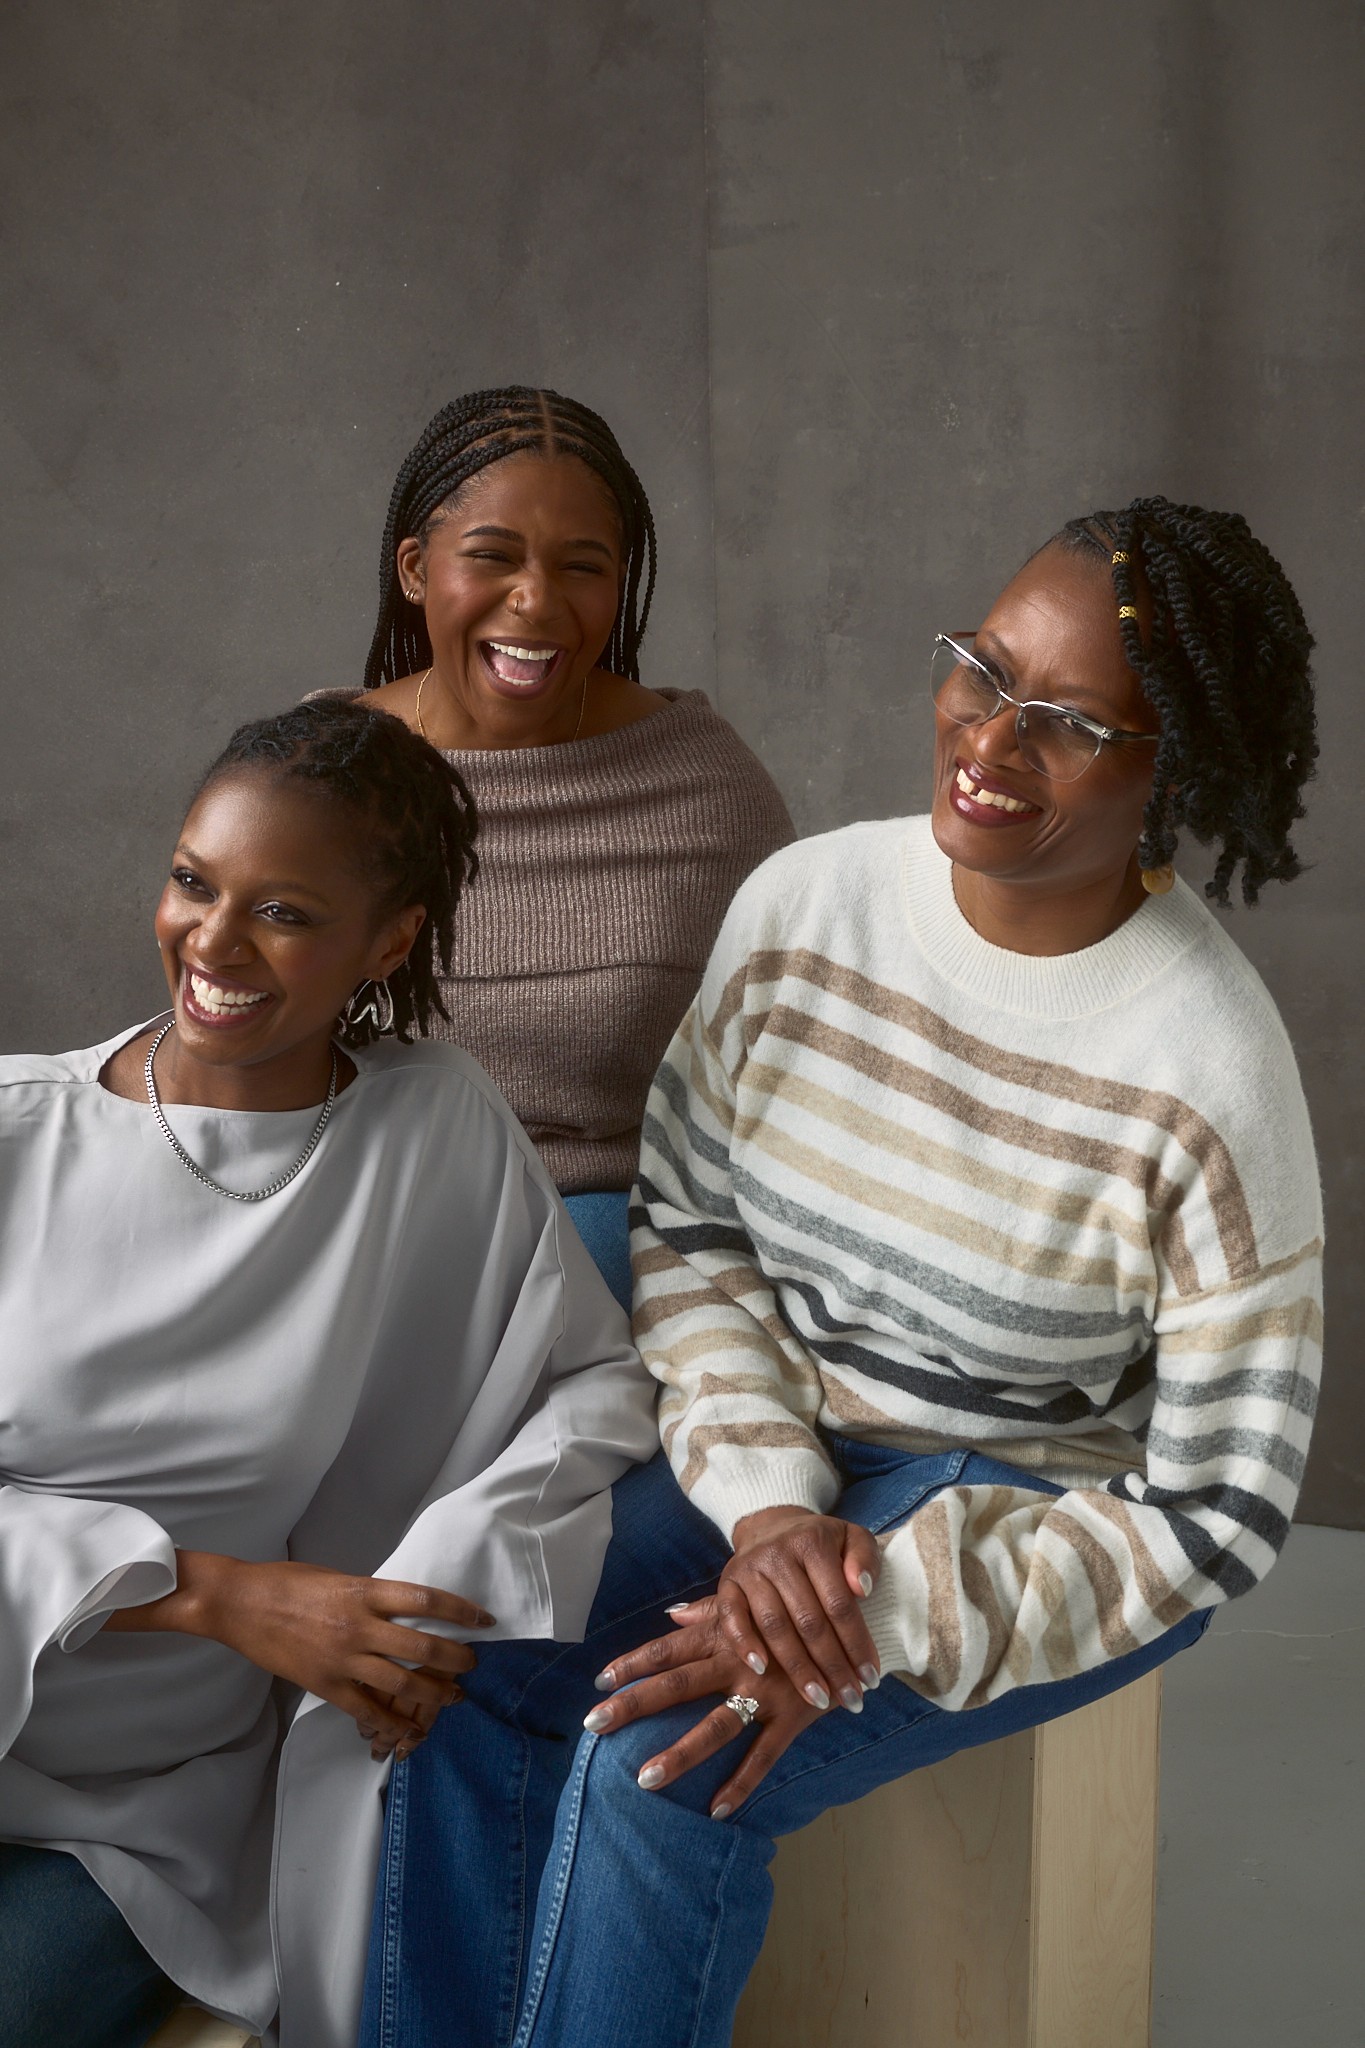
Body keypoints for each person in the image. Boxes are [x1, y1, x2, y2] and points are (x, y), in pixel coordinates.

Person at [361, 497, 1323, 2048]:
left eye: (1070, 723)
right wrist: (774, 1508)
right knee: (456, 1647)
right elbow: (695, 1223)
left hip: (1013, 1499)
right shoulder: (809, 907)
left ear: (1171, 772)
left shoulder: (1206, 1067)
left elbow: (1221, 1505)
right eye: (984, 671)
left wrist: (888, 1614)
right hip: (782, 1448)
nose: (993, 742)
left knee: (662, 1763)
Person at [0, 698, 658, 2048]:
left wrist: (431, 1587)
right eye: (195, 882)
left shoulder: (423, 1135)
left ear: (388, 942)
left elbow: (589, 1386)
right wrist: (223, 1596)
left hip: (140, 1822)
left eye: (285, 913)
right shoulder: (18, 1136)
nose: (214, 943)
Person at [352, 385, 794, 1308]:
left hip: (611, 1230)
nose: (536, 600)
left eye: (582, 566)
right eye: (492, 557)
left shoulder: (706, 791)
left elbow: (787, 1082)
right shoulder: (318, 780)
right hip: (359, 1214)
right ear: (413, 569)